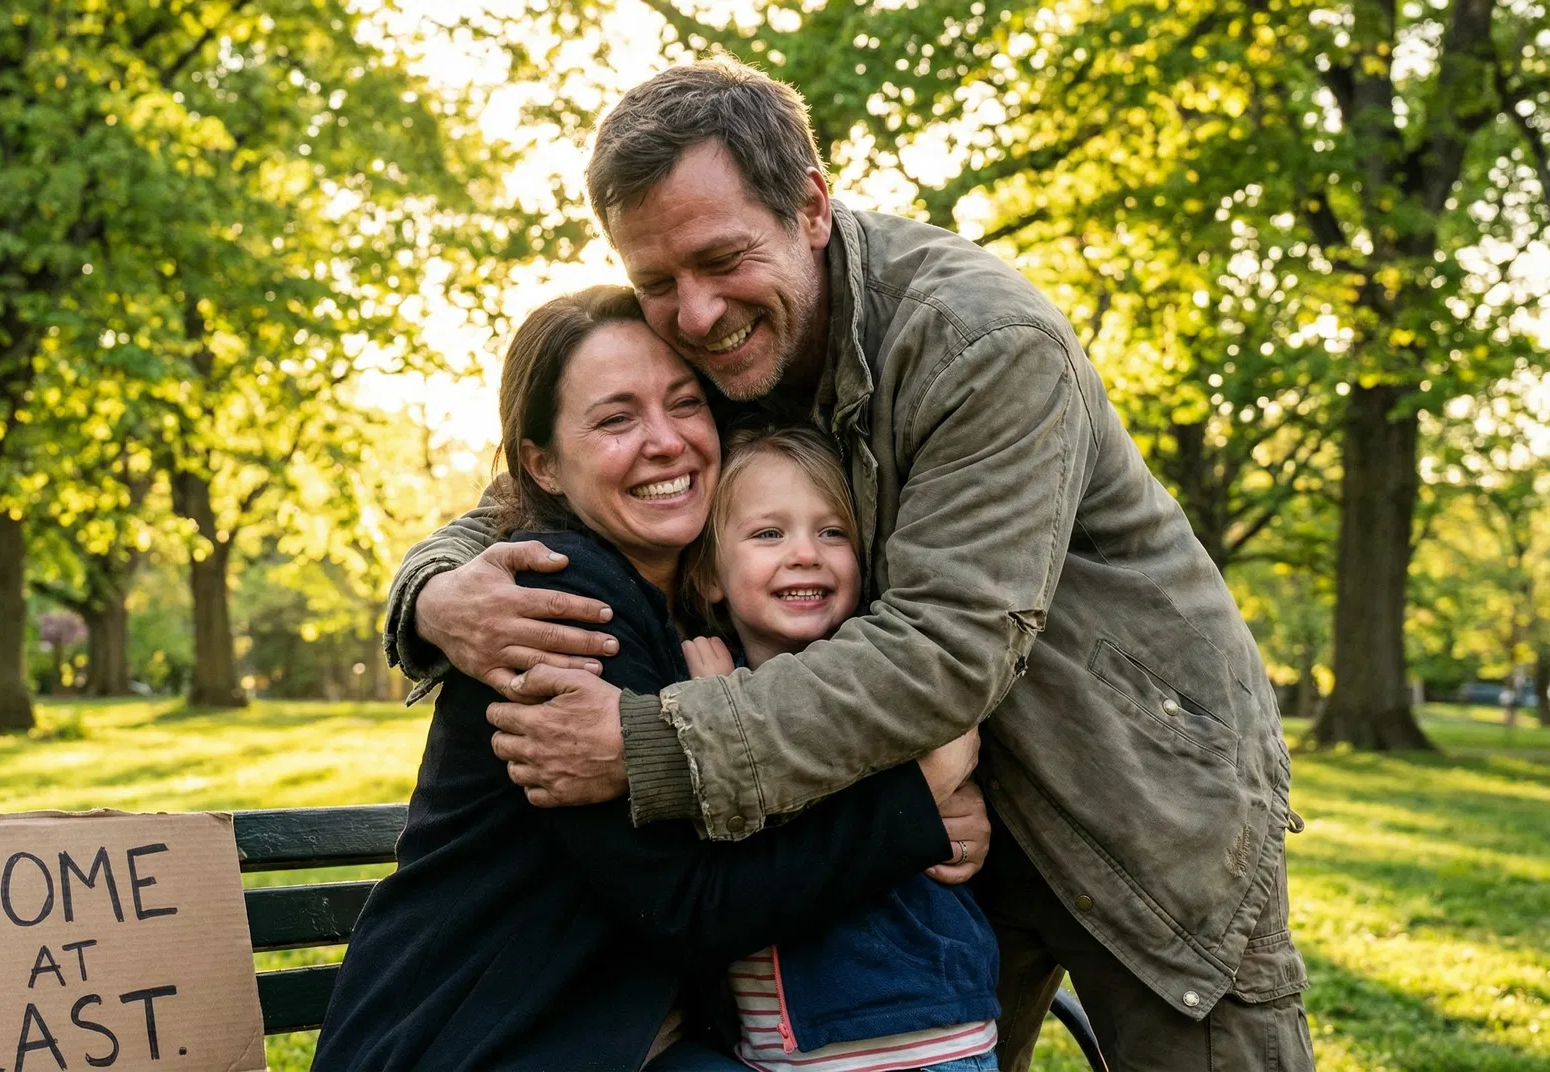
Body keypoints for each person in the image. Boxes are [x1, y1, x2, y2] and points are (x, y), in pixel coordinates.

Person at [383, 60, 1314, 1070]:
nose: (694, 315)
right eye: (657, 282)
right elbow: (529, 495)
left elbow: (946, 646)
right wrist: (431, 594)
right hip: (931, 817)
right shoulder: (713, 343)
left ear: (813, 208)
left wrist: (648, 742)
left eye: (720, 258)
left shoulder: (982, 341)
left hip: (1137, 792)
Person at [314, 286, 985, 1071]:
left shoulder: (708, 611)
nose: (664, 442)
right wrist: (917, 799)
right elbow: (693, 906)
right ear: (542, 465)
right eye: (615, 419)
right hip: (478, 1042)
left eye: (684, 403)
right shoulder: (557, 605)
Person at [681, 423, 1000, 1071]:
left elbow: (811, 816)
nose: (806, 553)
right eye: (769, 534)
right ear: (711, 574)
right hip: (778, 1049)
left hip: (910, 1036)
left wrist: (726, 719)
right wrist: (715, 710)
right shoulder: (703, 680)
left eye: (833, 533)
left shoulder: (885, 682)